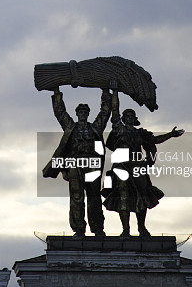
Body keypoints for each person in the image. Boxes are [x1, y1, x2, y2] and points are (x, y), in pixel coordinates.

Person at [103, 85, 184, 237]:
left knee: (142, 196)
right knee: (123, 196)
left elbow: (155, 140)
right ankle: (126, 229)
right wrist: (115, 92)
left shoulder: (140, 133)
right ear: (123, 118)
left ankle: (141, 228)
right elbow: (114, 111)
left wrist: (170, 135)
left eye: (131, 116)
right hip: (121, 167)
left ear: (135, 119)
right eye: (126, 116)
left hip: (138, 167)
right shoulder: (119, 129)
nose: (128, 118)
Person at [43, 87, 112, 237]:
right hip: (75, 164)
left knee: (94, 196)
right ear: (77, 114)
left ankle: (98, 228)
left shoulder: (95, 128)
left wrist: (106, 92)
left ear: (88, 114)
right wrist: (56, 93)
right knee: (76, 197)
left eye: (85, 112)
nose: (83, 114)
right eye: (80, 112)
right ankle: (79, 228)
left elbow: (105, 113)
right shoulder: (70, 127)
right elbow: (60, 113)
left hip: (92, 165)